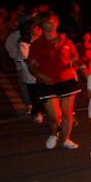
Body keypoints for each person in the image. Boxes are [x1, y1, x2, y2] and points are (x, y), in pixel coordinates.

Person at [27, 12, 83, 150]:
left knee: (67, 113)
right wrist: (40, 75)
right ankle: (53, 134)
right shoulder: (36, 44)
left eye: (54, 21)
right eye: (48, 22)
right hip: (47, 82)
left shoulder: (66, 41)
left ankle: (66, 139)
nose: (53, 25)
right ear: (41, 25)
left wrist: (81, 66)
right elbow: (32, 65)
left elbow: (74, 59)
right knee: (54, 115)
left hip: (67, 80)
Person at [8, 21, 43, 123]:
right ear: (29, 29)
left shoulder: (42, 41)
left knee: (44, 93)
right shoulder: (23, 44)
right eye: (35, 27)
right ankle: (37, 112)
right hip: (31, 75)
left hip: (43, 73)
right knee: (34, 94)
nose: (38, 29)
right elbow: (27, 59)